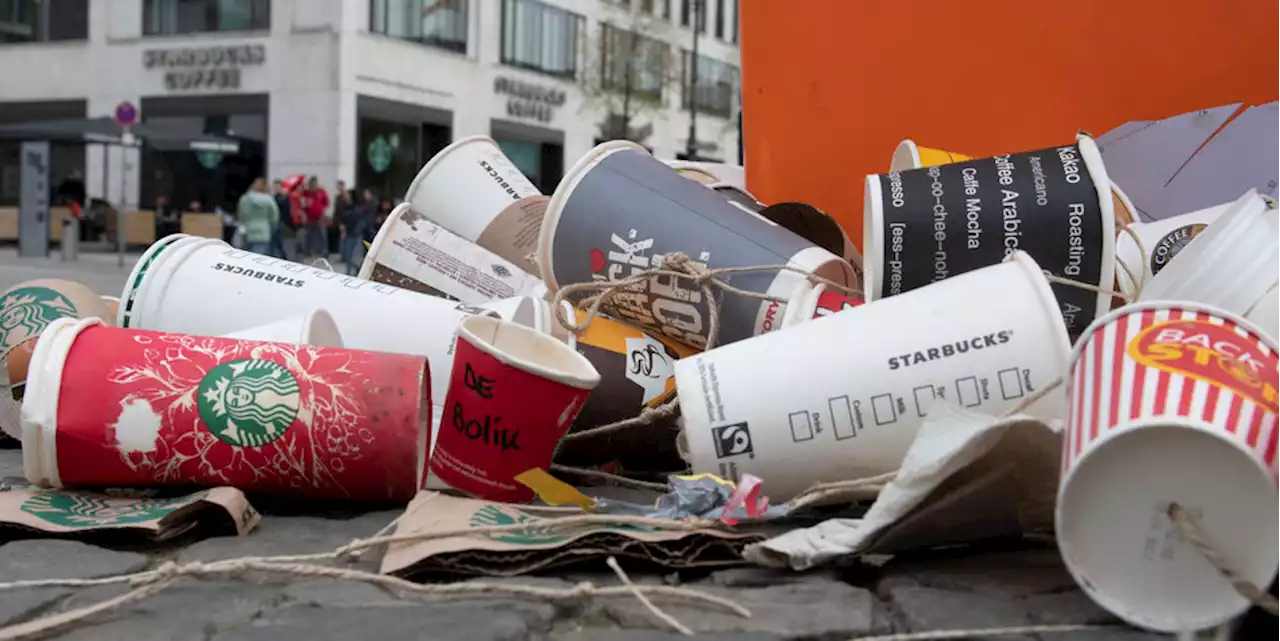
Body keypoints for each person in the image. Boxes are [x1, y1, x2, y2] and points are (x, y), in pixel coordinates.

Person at [235, 178, 280, 256]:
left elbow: (241, 215)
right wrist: (271, 228)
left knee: (247, 257)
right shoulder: (269, 200)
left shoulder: (245, 199)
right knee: (259, 258)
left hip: (248, 231)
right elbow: (275, 216)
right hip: (263, 231)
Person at [340, 188, 376, 275]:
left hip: (355, 234)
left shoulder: (357, 208)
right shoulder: (345, 207)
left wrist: (357, 232)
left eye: (347, 194)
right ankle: (352, 270)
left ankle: (353, 271)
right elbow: (343, 219)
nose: (345, 196)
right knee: (347, 255)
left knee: (354, 255)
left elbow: (361, 221)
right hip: (349, 233)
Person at [301, 176, 329, 259]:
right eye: (312, 184)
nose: (314, 186)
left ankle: (325, 251)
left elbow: (326, 202)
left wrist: (322, 209)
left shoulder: (321, 191)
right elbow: (302, 203)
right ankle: (308, 250)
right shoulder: (306, 192)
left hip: (319, 217)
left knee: (322, 234)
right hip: (309, 217)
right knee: (308, 235)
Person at [270, 179, 293, 259]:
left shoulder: (284, 198)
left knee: (275, 241)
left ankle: (277, 256)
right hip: (276, 222)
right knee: (277, 242)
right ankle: (283, 257)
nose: (276, 188)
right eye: (275, 187)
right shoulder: (275, 197)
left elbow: (286, 209)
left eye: (277, 187)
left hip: (281, 221)